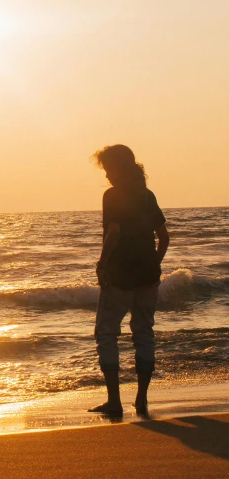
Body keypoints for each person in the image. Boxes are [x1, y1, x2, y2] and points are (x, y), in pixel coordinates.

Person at [89, 144, 169, 417]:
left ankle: (114, 401)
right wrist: (153, 264)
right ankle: (142, 400)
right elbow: (165, 238)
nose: (107, 176)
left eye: (109, 169)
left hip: (120, 277)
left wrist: (102, 265)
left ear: (119, 167)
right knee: (144, 334)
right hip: (148, 277)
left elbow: (113, 233)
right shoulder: (147, 195)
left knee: (107, 334)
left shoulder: (113, 196)